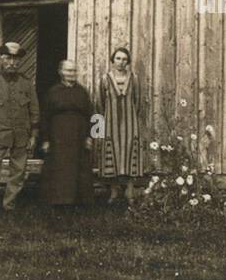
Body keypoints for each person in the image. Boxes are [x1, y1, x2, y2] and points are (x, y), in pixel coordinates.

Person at [0, 42, 39, 213]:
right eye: (8, 59)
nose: (12, 63)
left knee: (18, 171)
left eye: (16, 59)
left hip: (21, 135)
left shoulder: (27, 84)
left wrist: (33, 135)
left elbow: (34, 110)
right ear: (2, 60)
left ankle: (9, 203)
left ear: (20, 61)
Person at [40, 59, 95, 207]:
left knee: (80, 168)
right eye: (68, 70)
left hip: (79, 136)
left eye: (74, 71)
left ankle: (79, 202)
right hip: (58, 137)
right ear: (61, 72)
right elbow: (45, 117)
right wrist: (45, 140)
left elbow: (92, 115)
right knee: (60, 168)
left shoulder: (82, 92)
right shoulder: (53, 92)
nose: (72, 74)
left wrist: (91, 137)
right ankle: (58, 201)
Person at [98, 46, 146, 205]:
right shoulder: (105, 79)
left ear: (128, 62)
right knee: (113, 152)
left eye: (124, 59)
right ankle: (114, 190)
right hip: (110, 123)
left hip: (129, 123)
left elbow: (138, 102)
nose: (121, 62)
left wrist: (131, 117)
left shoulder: (134, 78)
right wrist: (102, 124)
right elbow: (100, 103)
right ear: (113, 60)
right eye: (118, 58)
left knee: (129, 152)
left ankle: (130, 191)